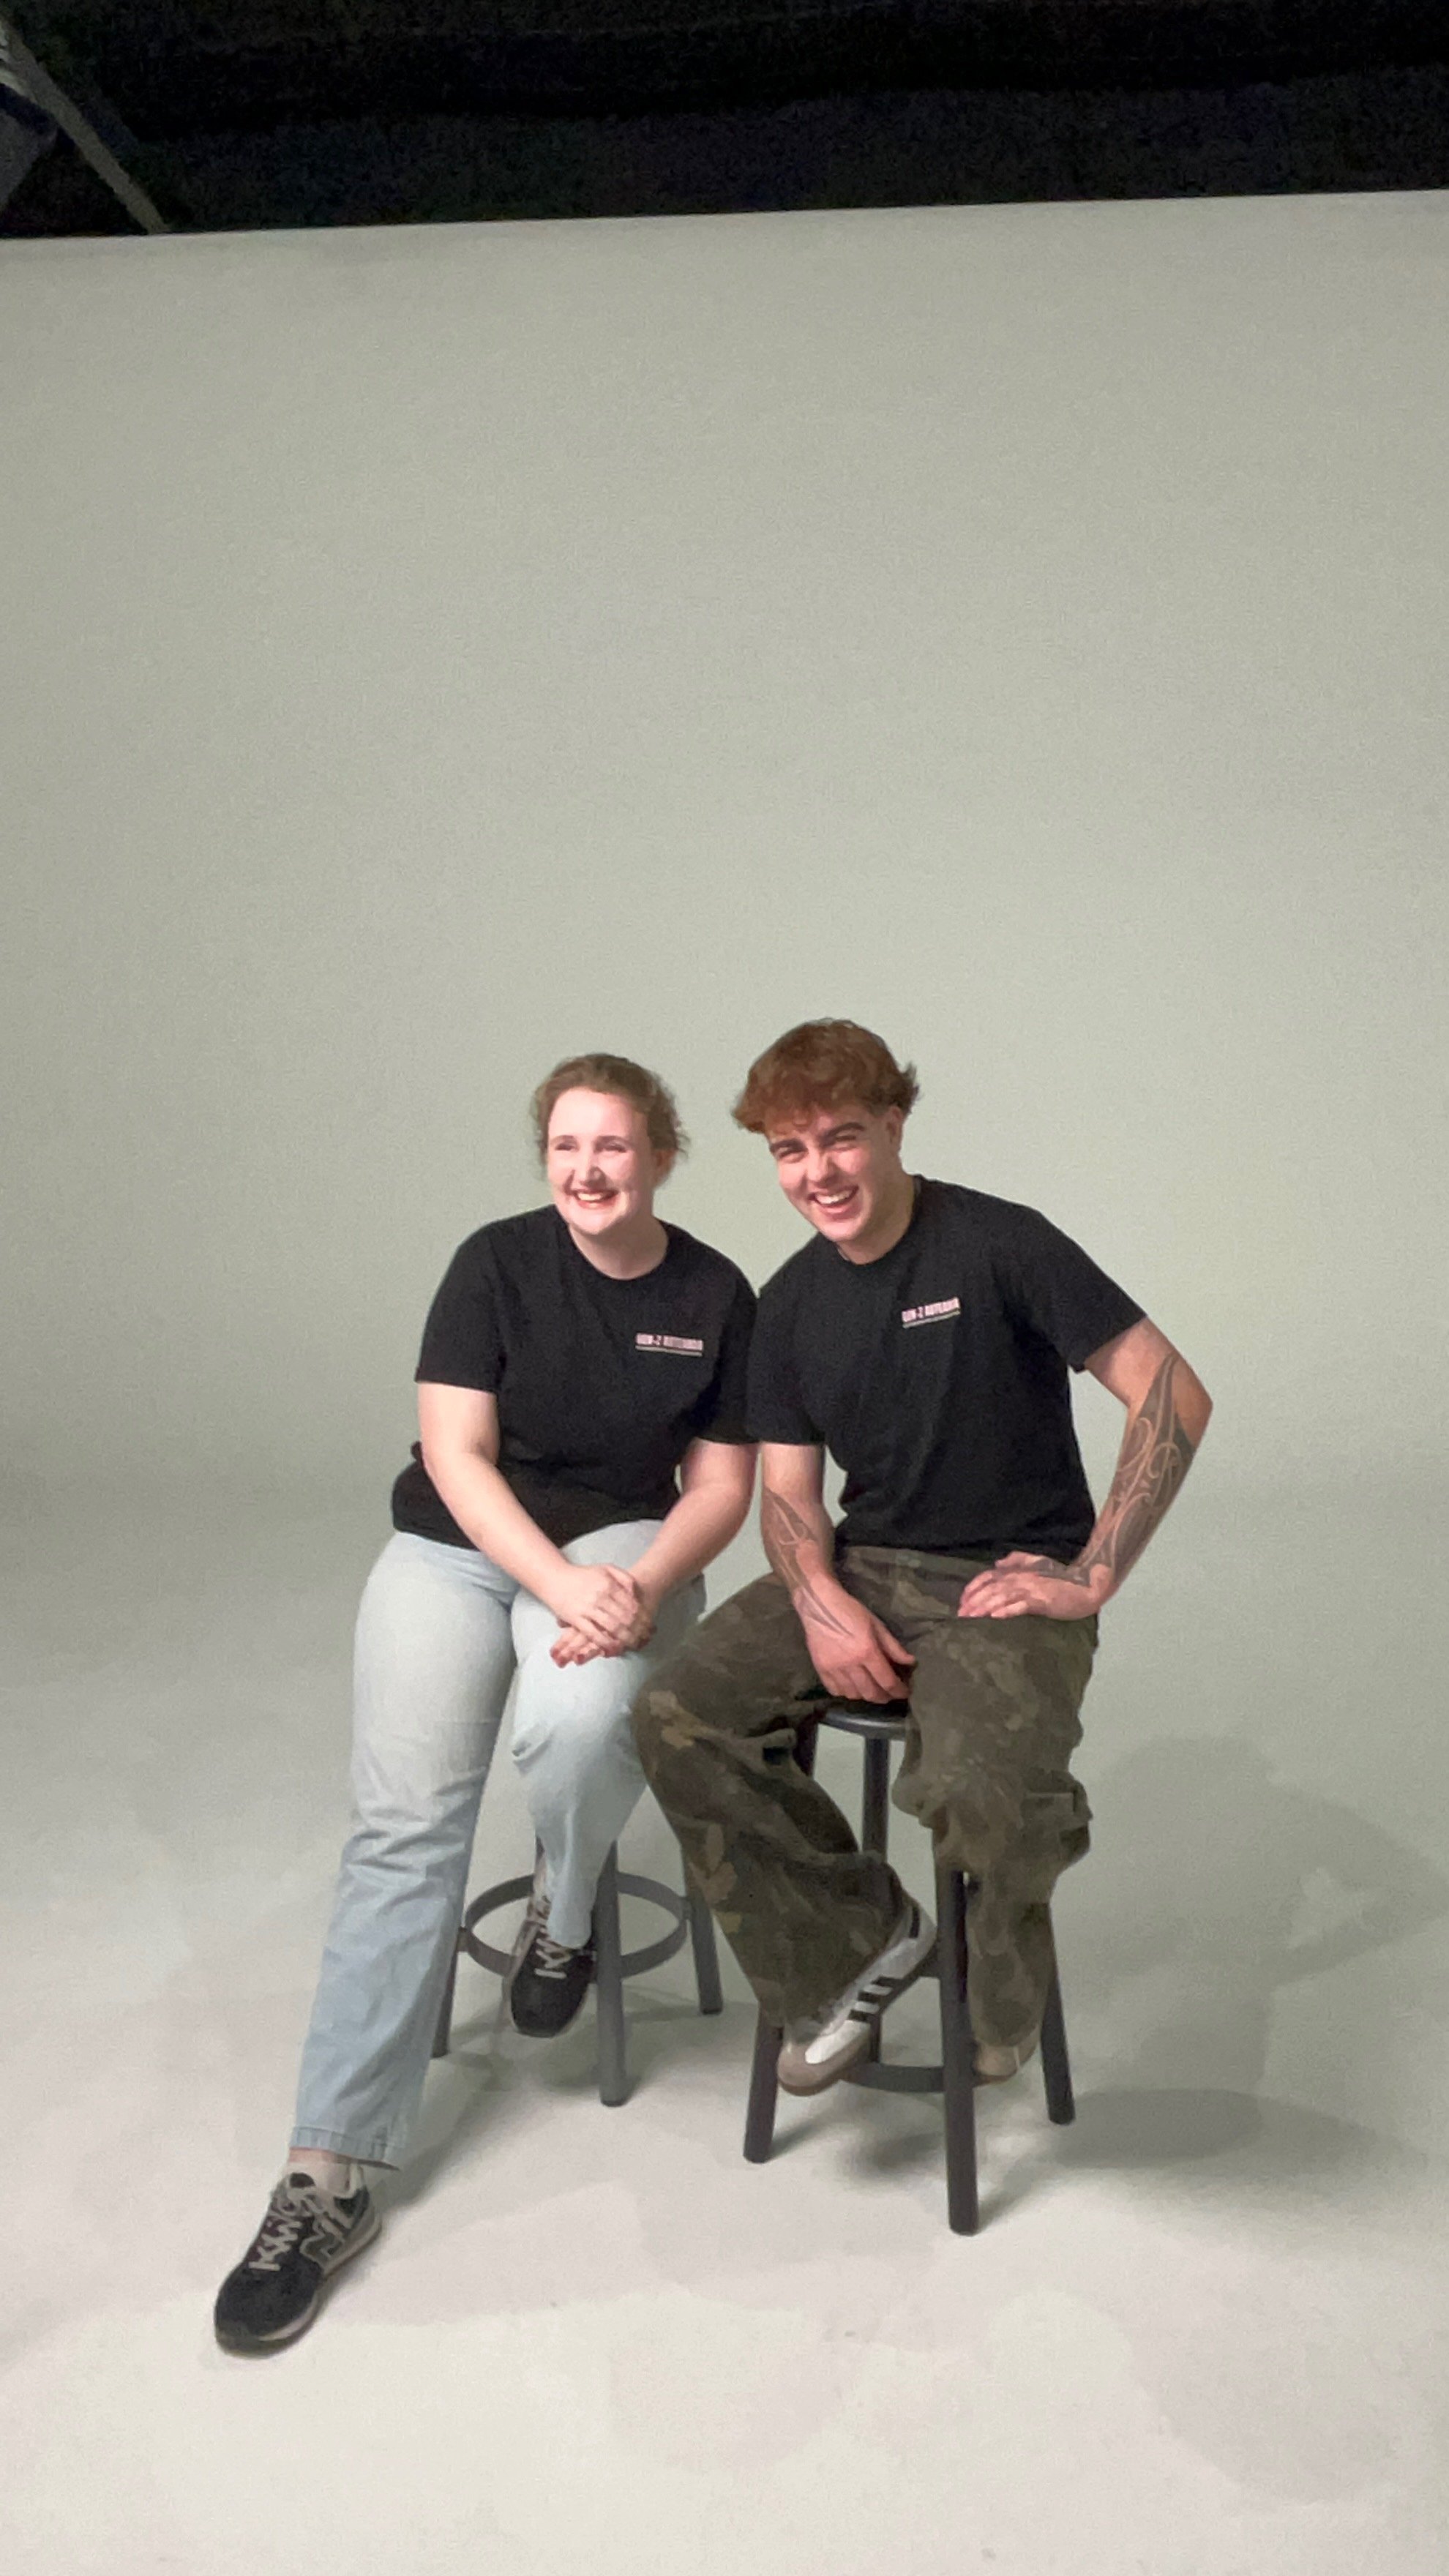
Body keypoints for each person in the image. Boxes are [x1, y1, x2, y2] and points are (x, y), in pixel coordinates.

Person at [214, 1054, 756, 2353]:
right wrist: (561, 1582)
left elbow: (722, 1487)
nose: (586, 1170)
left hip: (631, 1541)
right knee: (404, 1831)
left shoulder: (716, 1292)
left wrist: (637, 1584)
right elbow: (456, 1457)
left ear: (661, 1156)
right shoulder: (494, 1265)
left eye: (613, 1147)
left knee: (579, 1727)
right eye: (565, 1146)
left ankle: (565, 1917)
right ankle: (327, 2175)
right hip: (466, 1548)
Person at [633, 1019, 1211, 2100]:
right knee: (674, 1713)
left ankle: (999, 1984)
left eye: (841, 1140)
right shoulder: (791, 1303)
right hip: (866, 1566)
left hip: (1009, 1577)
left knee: (977, 1786)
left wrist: (1093, 1573)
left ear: (894, 1126)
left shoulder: (1000, 1243)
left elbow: (1171, 1389)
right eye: (789, 1152)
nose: (819, 1174)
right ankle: (861, 1943)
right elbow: (793, 1495)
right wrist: (817, 1603)